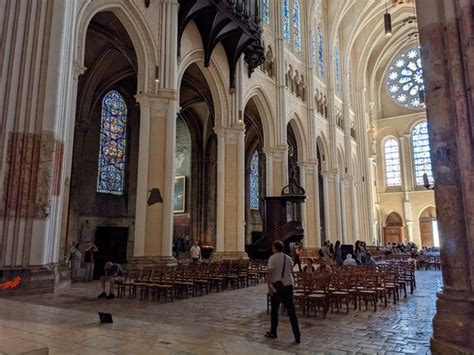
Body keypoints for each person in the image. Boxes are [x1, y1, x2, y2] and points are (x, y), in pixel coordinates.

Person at [265, 241, 300, 344]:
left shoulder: (273, 258)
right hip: (288, 286)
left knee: (274, 311)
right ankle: (297, 336)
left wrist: (269, 288)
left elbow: (269, 274)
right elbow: (291, 271)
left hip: (278, 288)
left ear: (275, 248)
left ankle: (273, 332)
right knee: (292, 313)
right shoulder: (288, 258)